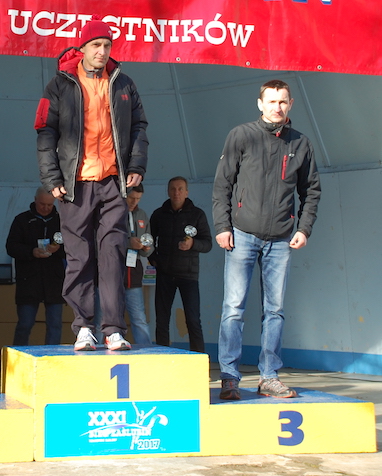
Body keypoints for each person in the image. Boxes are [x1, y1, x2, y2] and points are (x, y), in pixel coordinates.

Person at [35, 15, 148, 352]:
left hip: (113, 183)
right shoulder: (60, 84)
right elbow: (45, 131)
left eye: (107, 45)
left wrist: (136, 165)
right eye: (96, 45)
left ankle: (113, 329)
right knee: (79, 256)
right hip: (75, 185)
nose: (102, 51)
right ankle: (84, 327)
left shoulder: (123, 83)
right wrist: (52, 177)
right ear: (82, 48)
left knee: (113, 255)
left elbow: (139, 126)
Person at [212, 80, 321, 400]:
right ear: (260, 104)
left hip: (281, 240)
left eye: (283, 102)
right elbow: (222, 185)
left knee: (275, 310)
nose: (277, 107)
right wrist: (222, 226)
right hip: (242, 235)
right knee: (233, 308)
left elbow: (311, 191)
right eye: (271, 101)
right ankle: (229, 377)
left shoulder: (301, 143)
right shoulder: (241, 135)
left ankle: (269, 377)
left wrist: (304, 228)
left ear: (291, 104)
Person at [149, 177, 212, 353]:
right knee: (162, 320)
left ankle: (198, 359)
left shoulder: (197, 214)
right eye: (173, 189)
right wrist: (154, 260)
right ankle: (162, 357)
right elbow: (149, 240)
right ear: (168, 191)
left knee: (193, 319)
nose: (176, 192)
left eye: (180, 189)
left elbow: (208, 244)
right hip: (164, 274)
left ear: (186, 192)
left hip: (188, 275)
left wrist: (193, 244)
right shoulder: (159, 214)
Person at [6, 187, 67, 346]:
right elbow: (11, 247)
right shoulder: (22, 220)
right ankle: (19, 355)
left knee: (55, 325)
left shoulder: (61, 221)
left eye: (49, 205)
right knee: (25, 324)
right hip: (29, 280)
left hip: (54, 280)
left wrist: (59, 250)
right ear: (35, 200)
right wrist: (31, 252)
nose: (45, 208)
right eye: (42, 204)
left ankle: (52, 357)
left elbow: (74, 249)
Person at [122, 184, 153, 345]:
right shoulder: (113, 213)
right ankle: (98, 353)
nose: (134, 202)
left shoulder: (142, 215)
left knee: (139, 317)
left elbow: (149, 243)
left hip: (134, 273)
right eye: (131, 198)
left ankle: (146, 351)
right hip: (112, 273)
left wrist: (146, 248)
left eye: (138, 199)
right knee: (104, 318)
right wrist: (128, 243)